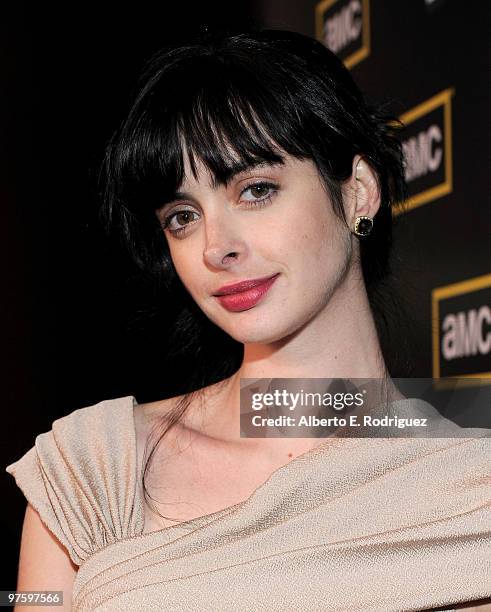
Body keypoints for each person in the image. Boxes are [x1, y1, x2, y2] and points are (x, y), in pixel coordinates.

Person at [6, 28, 490, 611]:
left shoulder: (469, 493)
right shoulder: (92, 468)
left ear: (359, 191)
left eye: (256, 190)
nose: (216, 247)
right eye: (183, 216)